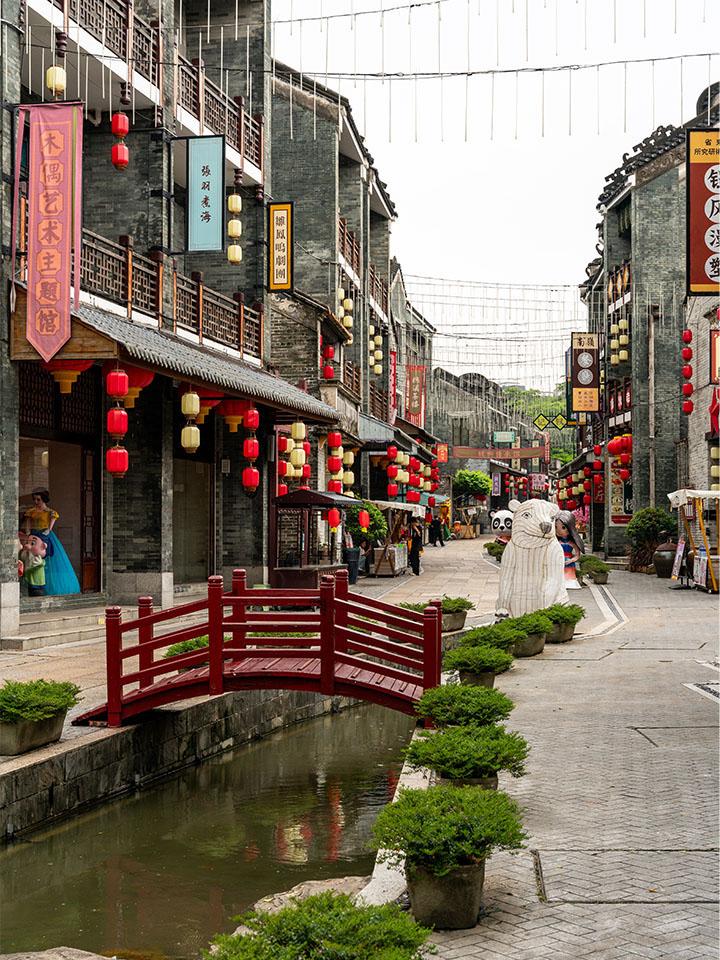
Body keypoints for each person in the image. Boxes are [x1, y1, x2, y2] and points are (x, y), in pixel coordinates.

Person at [23, 489, 80, 596]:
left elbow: (49, 528)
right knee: (32, 558)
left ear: (44, 500)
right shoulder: (31, 512)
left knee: (48, 559)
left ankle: (48, 586)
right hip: (33, 536)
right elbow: (28, 525)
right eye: (34, 499)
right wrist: (28, 534)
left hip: (44, 536)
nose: (36, 502)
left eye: (38, 499)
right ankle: (33, 584)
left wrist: (46, 535)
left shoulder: (50, 513)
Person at [555, 509, 585, 590]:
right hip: (558, 562)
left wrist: (571, 560)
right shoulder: (556, 542)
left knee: (569, 577)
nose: (558, 531)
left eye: (563, 527)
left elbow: (577, 555)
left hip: (569, 562)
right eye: (556, 527)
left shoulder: (572, 543)